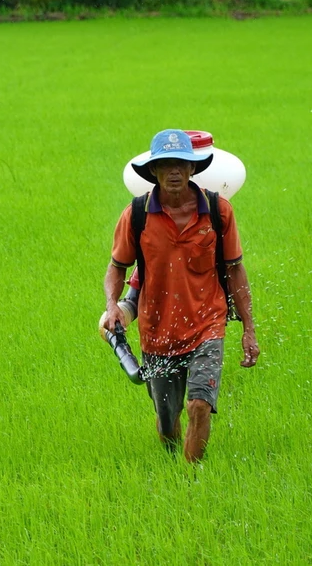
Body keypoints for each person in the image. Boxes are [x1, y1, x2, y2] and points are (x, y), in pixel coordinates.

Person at [101, 129, 260, 463]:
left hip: (207, 324)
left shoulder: (219, 212)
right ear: (154, 171)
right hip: (158, 332)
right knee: (168, 422)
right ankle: (172, 461)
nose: (174, 171)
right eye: (166, 164)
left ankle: (191, 483)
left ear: (193, 169)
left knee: (199, 405)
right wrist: (112, 306)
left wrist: (248, 328)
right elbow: (117, 267)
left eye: (181, 164)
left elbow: (235, 270)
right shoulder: (137, 215)